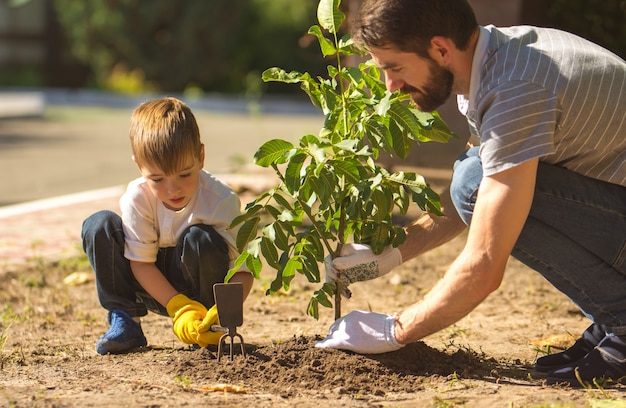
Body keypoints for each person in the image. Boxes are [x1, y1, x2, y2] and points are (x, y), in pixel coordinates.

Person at [315, 0, 626, 387]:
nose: (389, 86)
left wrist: (395, 329)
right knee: (472, 175)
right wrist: (394, 252)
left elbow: (484, 262)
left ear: (440, 49)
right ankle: (613, 318)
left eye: (394, 67)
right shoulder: (493, 61)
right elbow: (485, 186)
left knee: (473, 180)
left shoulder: (515, 88)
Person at [81, 97, 253, 355]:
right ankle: (126, 321)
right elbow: (141, 263)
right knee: (98, 225)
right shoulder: (137, 197)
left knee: (201, 238)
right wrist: (178, 307)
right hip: (148, 284)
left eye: (185, 174)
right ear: (140, 167)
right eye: (157, 179)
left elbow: (243, 269)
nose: (172, 190)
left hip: (199, 290)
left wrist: (223, 311)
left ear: (201, 157)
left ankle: (205, 328)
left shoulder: (220, 201)